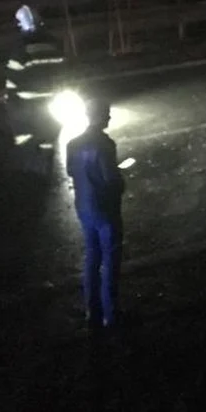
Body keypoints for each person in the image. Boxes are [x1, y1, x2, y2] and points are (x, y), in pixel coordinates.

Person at [66, 98, 125, 329]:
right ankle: (111, 315)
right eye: (107, 113)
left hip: (84, 208)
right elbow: (111, 180)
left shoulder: (73, 144)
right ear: (100, 116)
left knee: (92, 257)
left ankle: (92, 310)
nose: (109, 117)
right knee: (110, 261)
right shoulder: (105, 144)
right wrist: (121, 183)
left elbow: (72, 172)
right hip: (105, 210)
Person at [5, 5, 67, 148]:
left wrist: (18, 130)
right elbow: (64, 73)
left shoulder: (20, 50)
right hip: (52, 103)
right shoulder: (55, 45)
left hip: (28, 108)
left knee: (30, 151)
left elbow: (11, 85)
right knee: (49, 145)